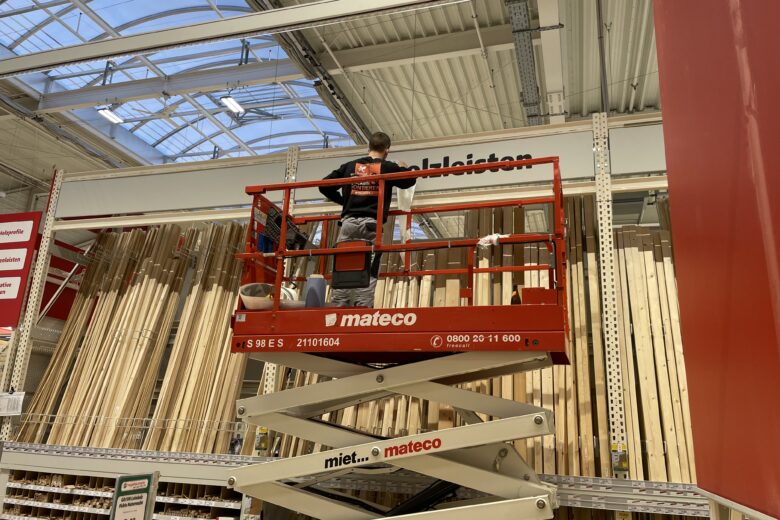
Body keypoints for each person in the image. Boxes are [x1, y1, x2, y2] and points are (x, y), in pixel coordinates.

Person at [319, 132, 416, 307]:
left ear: (368, 148)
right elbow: (409, 181)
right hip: (371, 224)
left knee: (344, 265)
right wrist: (403, 167)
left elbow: (324, 185)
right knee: (368, 268)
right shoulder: (387, 167)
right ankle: (362, 310)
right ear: (387, 150)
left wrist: (344, 202)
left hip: (348, 223)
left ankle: (338, 307)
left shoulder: (350, 166)